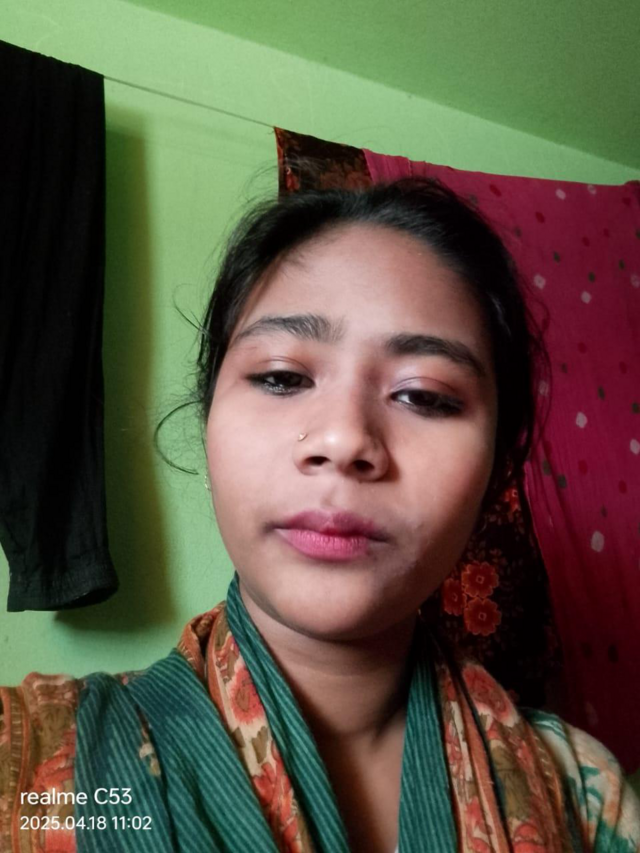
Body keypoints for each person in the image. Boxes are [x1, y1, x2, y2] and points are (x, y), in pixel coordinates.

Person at [1, 179, 639, 853]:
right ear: (209, 418)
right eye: (282, 377)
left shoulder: (583, 794)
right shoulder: (25, 766)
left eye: (423, 395)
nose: (343, 439)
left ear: (497, 472)